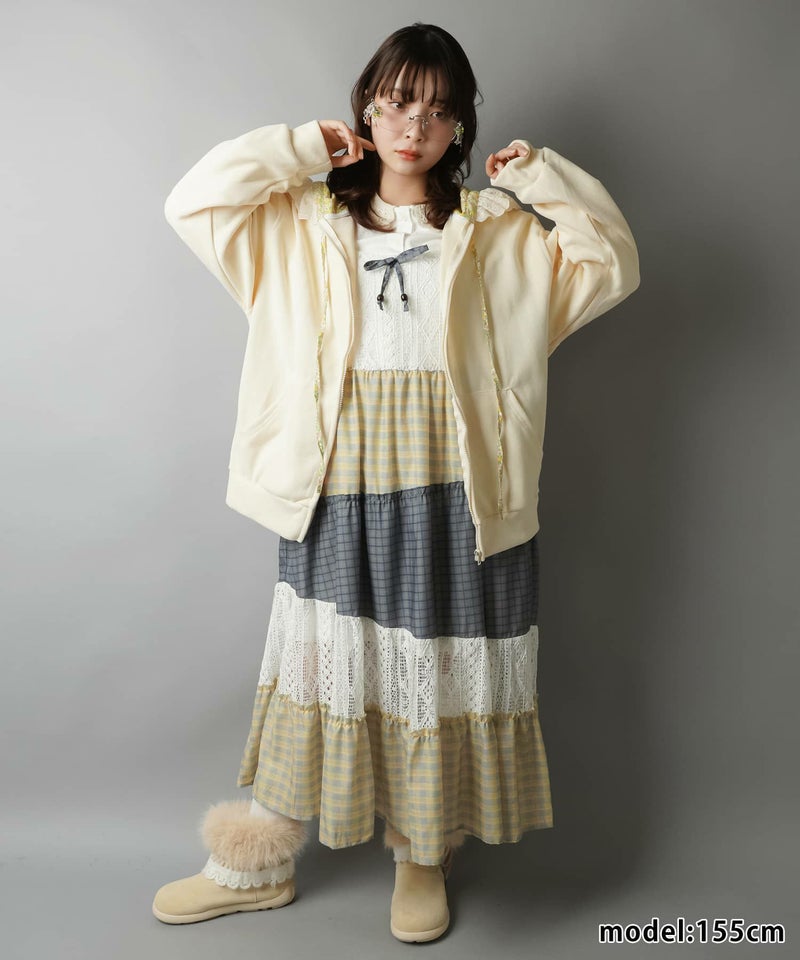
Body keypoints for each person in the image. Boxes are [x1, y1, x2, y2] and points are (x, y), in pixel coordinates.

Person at [153, 21, 640, 943]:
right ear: (367, 107)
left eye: (440, 109)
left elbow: (613, 262)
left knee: (439, 664)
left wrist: (542, 180)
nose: (415, 125)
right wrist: (301, 149)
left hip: (465, 484)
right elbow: (193, 201)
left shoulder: (500, 233)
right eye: (398, 100)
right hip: (336, 473)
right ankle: (257, 863)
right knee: (318, 662)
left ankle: (423, 851)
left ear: (461, 127)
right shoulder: (297, 222)